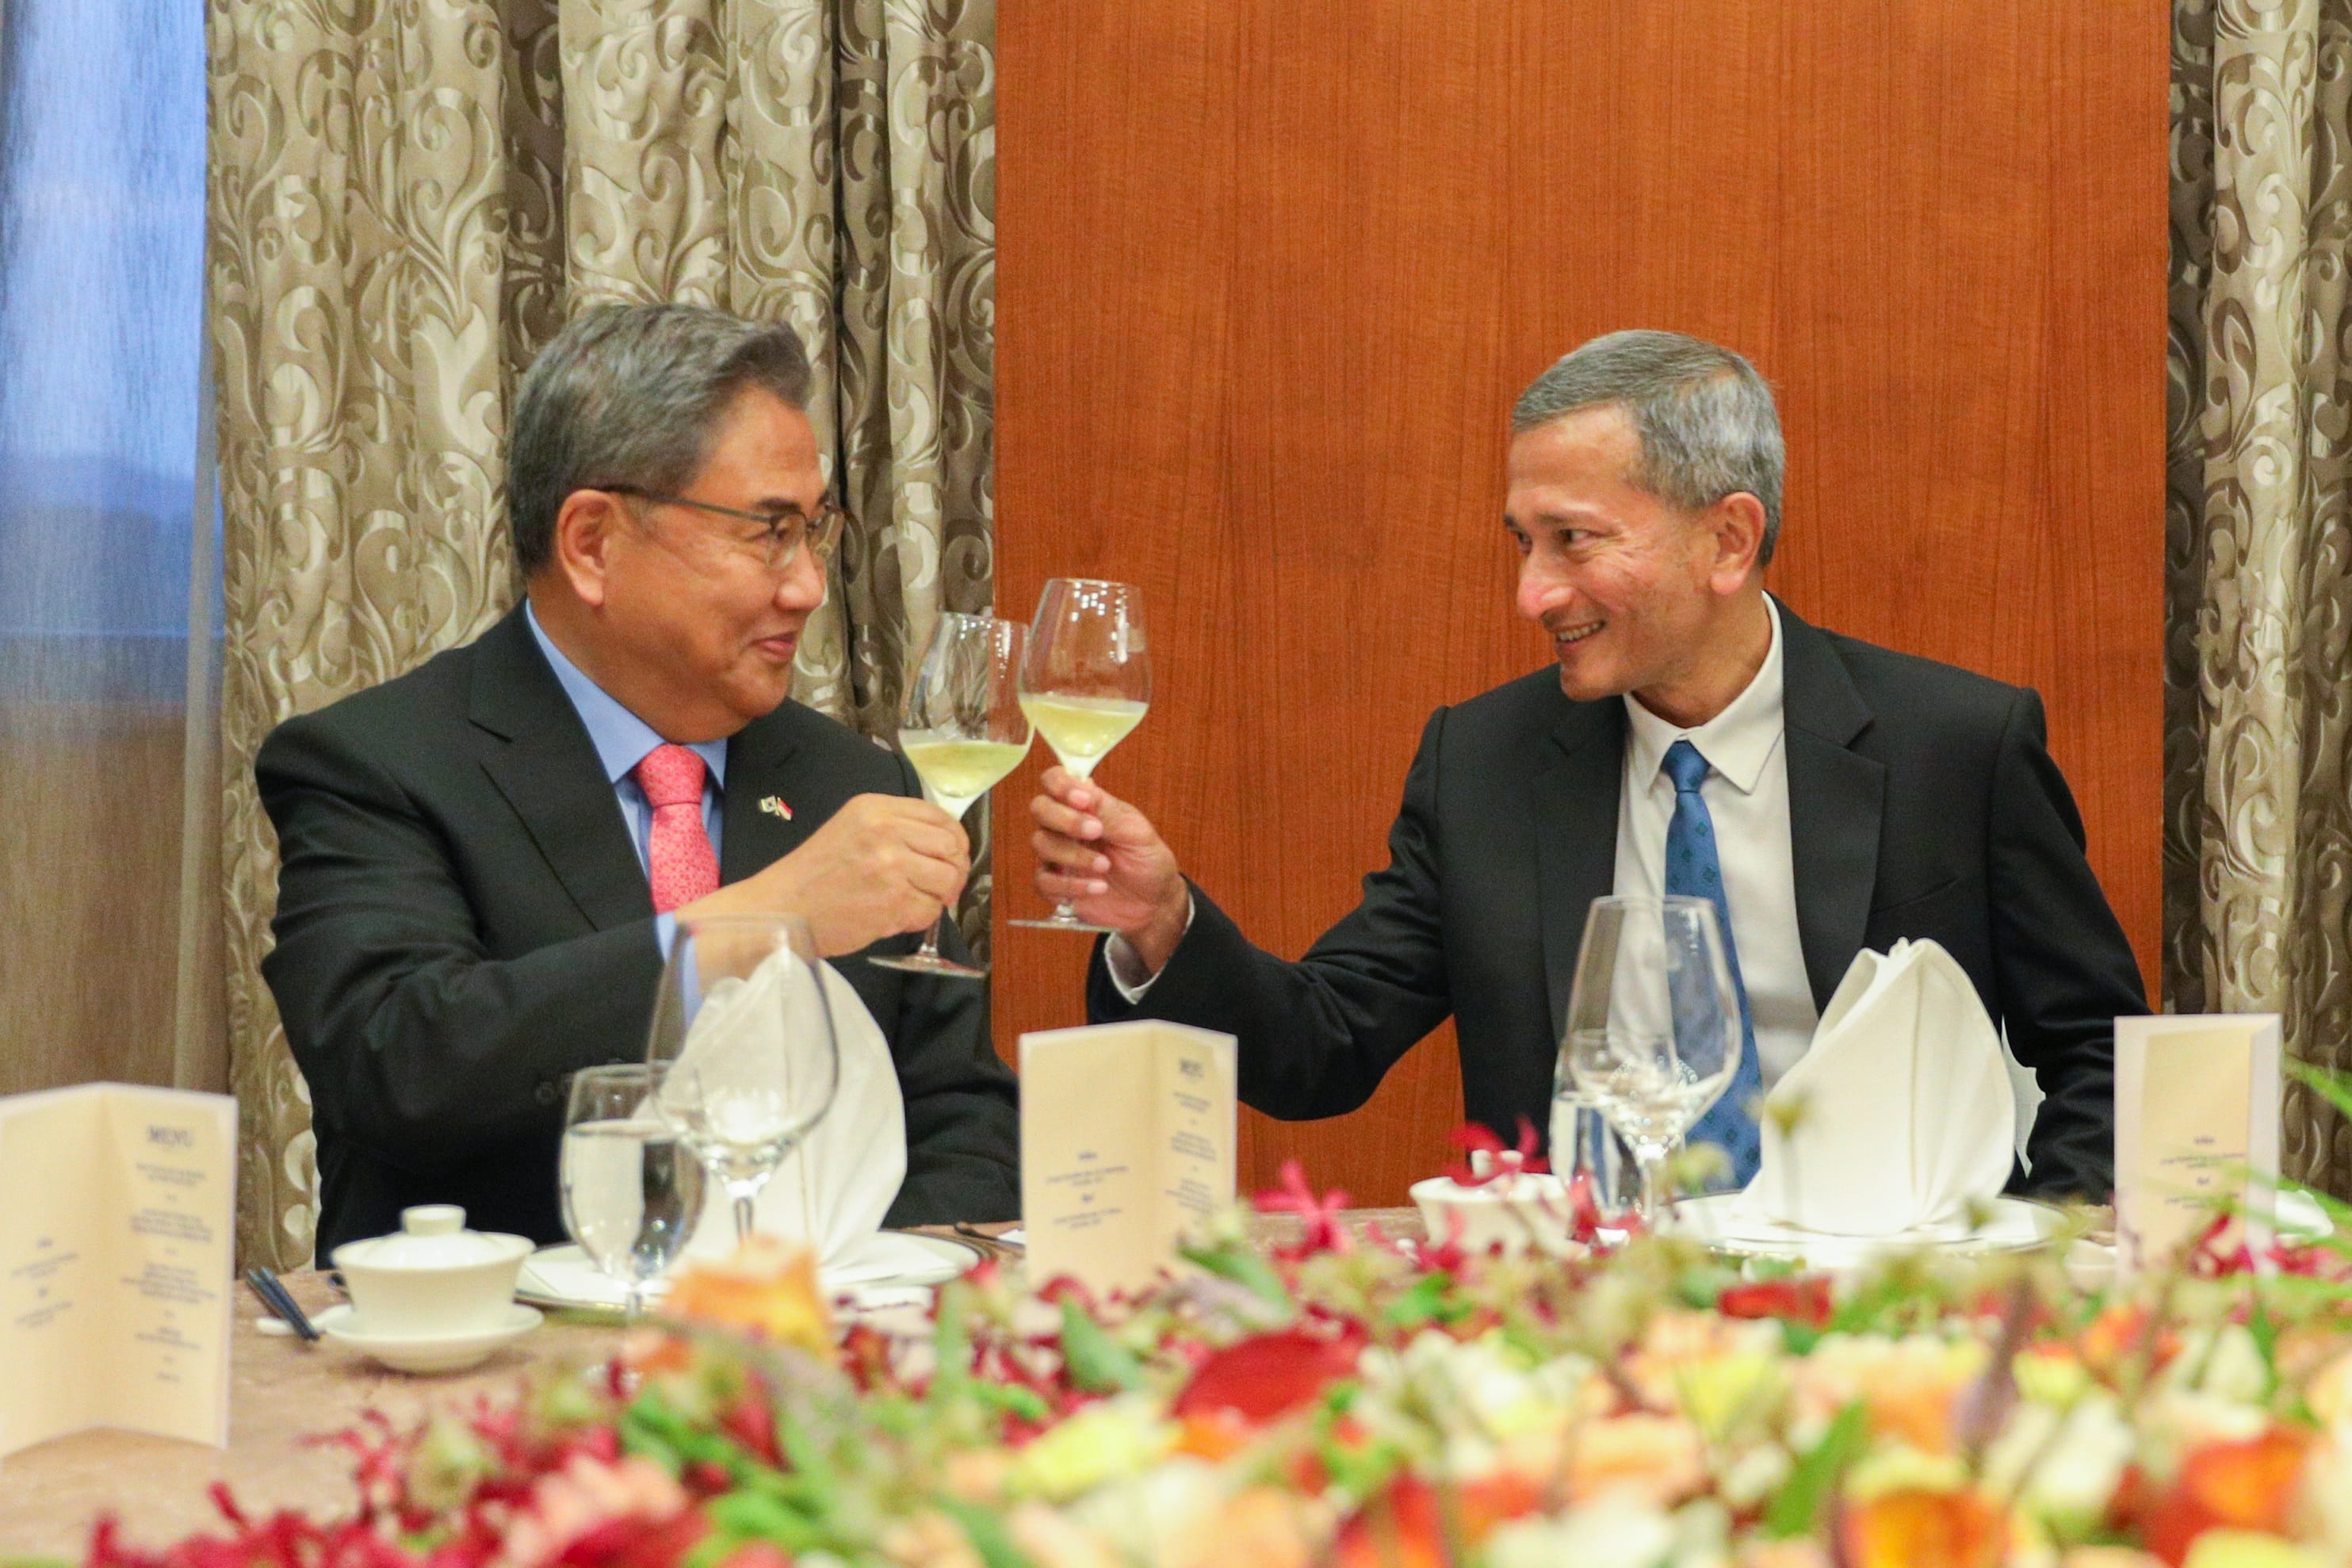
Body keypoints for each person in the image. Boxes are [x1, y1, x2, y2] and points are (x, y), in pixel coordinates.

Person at [1028, 329, 2144, 1199]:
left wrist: (2026, 1268)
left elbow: (2097, 1054)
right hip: (1584, 1320)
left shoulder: (1955, 746)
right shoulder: (1483, 764)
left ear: (1727, 539)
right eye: (1523, 541)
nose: (1532, 593)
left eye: (1574, 539)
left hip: (1886, 1311)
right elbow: (1322, 1048)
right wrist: (1162, 922)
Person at [261, 304, 1019, 1255]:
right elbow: (399, 1065)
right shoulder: (379, 761)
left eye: (813, 530)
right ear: (592, 542)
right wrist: (759, 922)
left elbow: (963, 1119)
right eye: (768, 532)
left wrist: (849, 1304)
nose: (808, 587)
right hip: (511, 1333)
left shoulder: (852, 783)